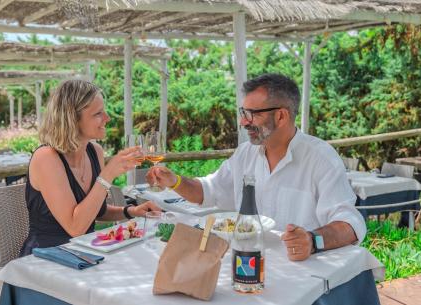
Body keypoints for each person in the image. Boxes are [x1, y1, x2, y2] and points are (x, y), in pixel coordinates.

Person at [147, 73, 366, 261]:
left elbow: (351, 224)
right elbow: (207, 190)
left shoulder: (320, 159)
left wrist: (312, 240)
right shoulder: (245, 154)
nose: (243, 122)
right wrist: (174, 181)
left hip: (301, 275)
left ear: (281, 116)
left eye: (253, 114)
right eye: (243, 113)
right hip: (246, 264)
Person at [20, 79, 160, 256]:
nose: (107, 118)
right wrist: (108, 174)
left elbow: (94, 211)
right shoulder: (47, 158)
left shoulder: (95, 152)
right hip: (45, 260)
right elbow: (76, 227)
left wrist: (131, 211)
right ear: (72, 120)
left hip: (84, 252)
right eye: (98, 114)